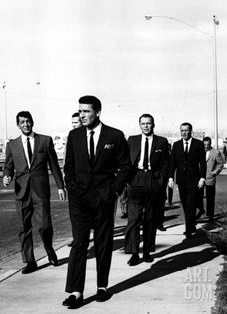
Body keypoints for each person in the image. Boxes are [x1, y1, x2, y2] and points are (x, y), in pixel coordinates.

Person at [63, 95, 131, 308]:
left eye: (86, 111)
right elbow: (69, 168)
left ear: (98, 112)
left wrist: (113, 191)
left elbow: (125, 167)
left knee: (103, 243)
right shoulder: (74, 136)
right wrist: (74, 191)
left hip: (104, 199)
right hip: (79, 200)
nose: (82, 115)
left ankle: (102, 286)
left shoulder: (115, 135)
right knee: (79, 243)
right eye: (80, 111)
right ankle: (76, 291)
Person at [3, 111, 66, 274]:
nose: (25, 125)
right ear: (18, 125)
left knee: (45, 226)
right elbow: (8, 166)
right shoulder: (12, 145)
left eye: (28, 121)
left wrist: (60, 186)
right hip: (21, 192)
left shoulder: (45, 141)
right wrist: (6, 176)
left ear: (32, 122)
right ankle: (30, 261)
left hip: (40, 190)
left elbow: (54, 165)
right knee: (24, 227)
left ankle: (50, 250)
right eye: (22, 122)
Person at [124, 114, 169, 266]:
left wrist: (161, 181)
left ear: (153, 124)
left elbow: (165, 164)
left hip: (152, 181)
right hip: (135, 180)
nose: (146, 126)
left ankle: (147, 252)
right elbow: (124, 160)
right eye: (143, 123)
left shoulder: (161, 141)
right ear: (139, 125)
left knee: (150, 218)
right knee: (134, 218)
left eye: (148, 123)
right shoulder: (132, 140)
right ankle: (134, 252)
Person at [168, 122, 206, 239]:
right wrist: (170, 178)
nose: (184, 133)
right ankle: (192, 224)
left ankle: (188, 230)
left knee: (190, 204)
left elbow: (202, 163)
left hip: (194, 180)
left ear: (191, 131)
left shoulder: (198, 144)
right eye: (182, 131)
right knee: (185, 204)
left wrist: (202, 178)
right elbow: (172, 163)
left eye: (186, 130)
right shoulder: (177, 145)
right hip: (181, 180)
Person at [196, 136, 224, 222]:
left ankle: (210, 216)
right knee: (198, 197)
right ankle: (201, 209)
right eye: (204, 145)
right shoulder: (198, 152)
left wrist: (215, 172)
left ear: (210, 144)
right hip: (199, 178)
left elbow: (220, 164)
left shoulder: (216, 153)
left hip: (210, 178)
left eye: (207, 145)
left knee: (210, 198)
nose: (206, 147)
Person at [67, 112, 83, 247]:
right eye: (72, 123)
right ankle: (76, 237)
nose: (74, 125)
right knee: (74, 214)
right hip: (75, 183)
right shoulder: (71, 137)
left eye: (76, 122)